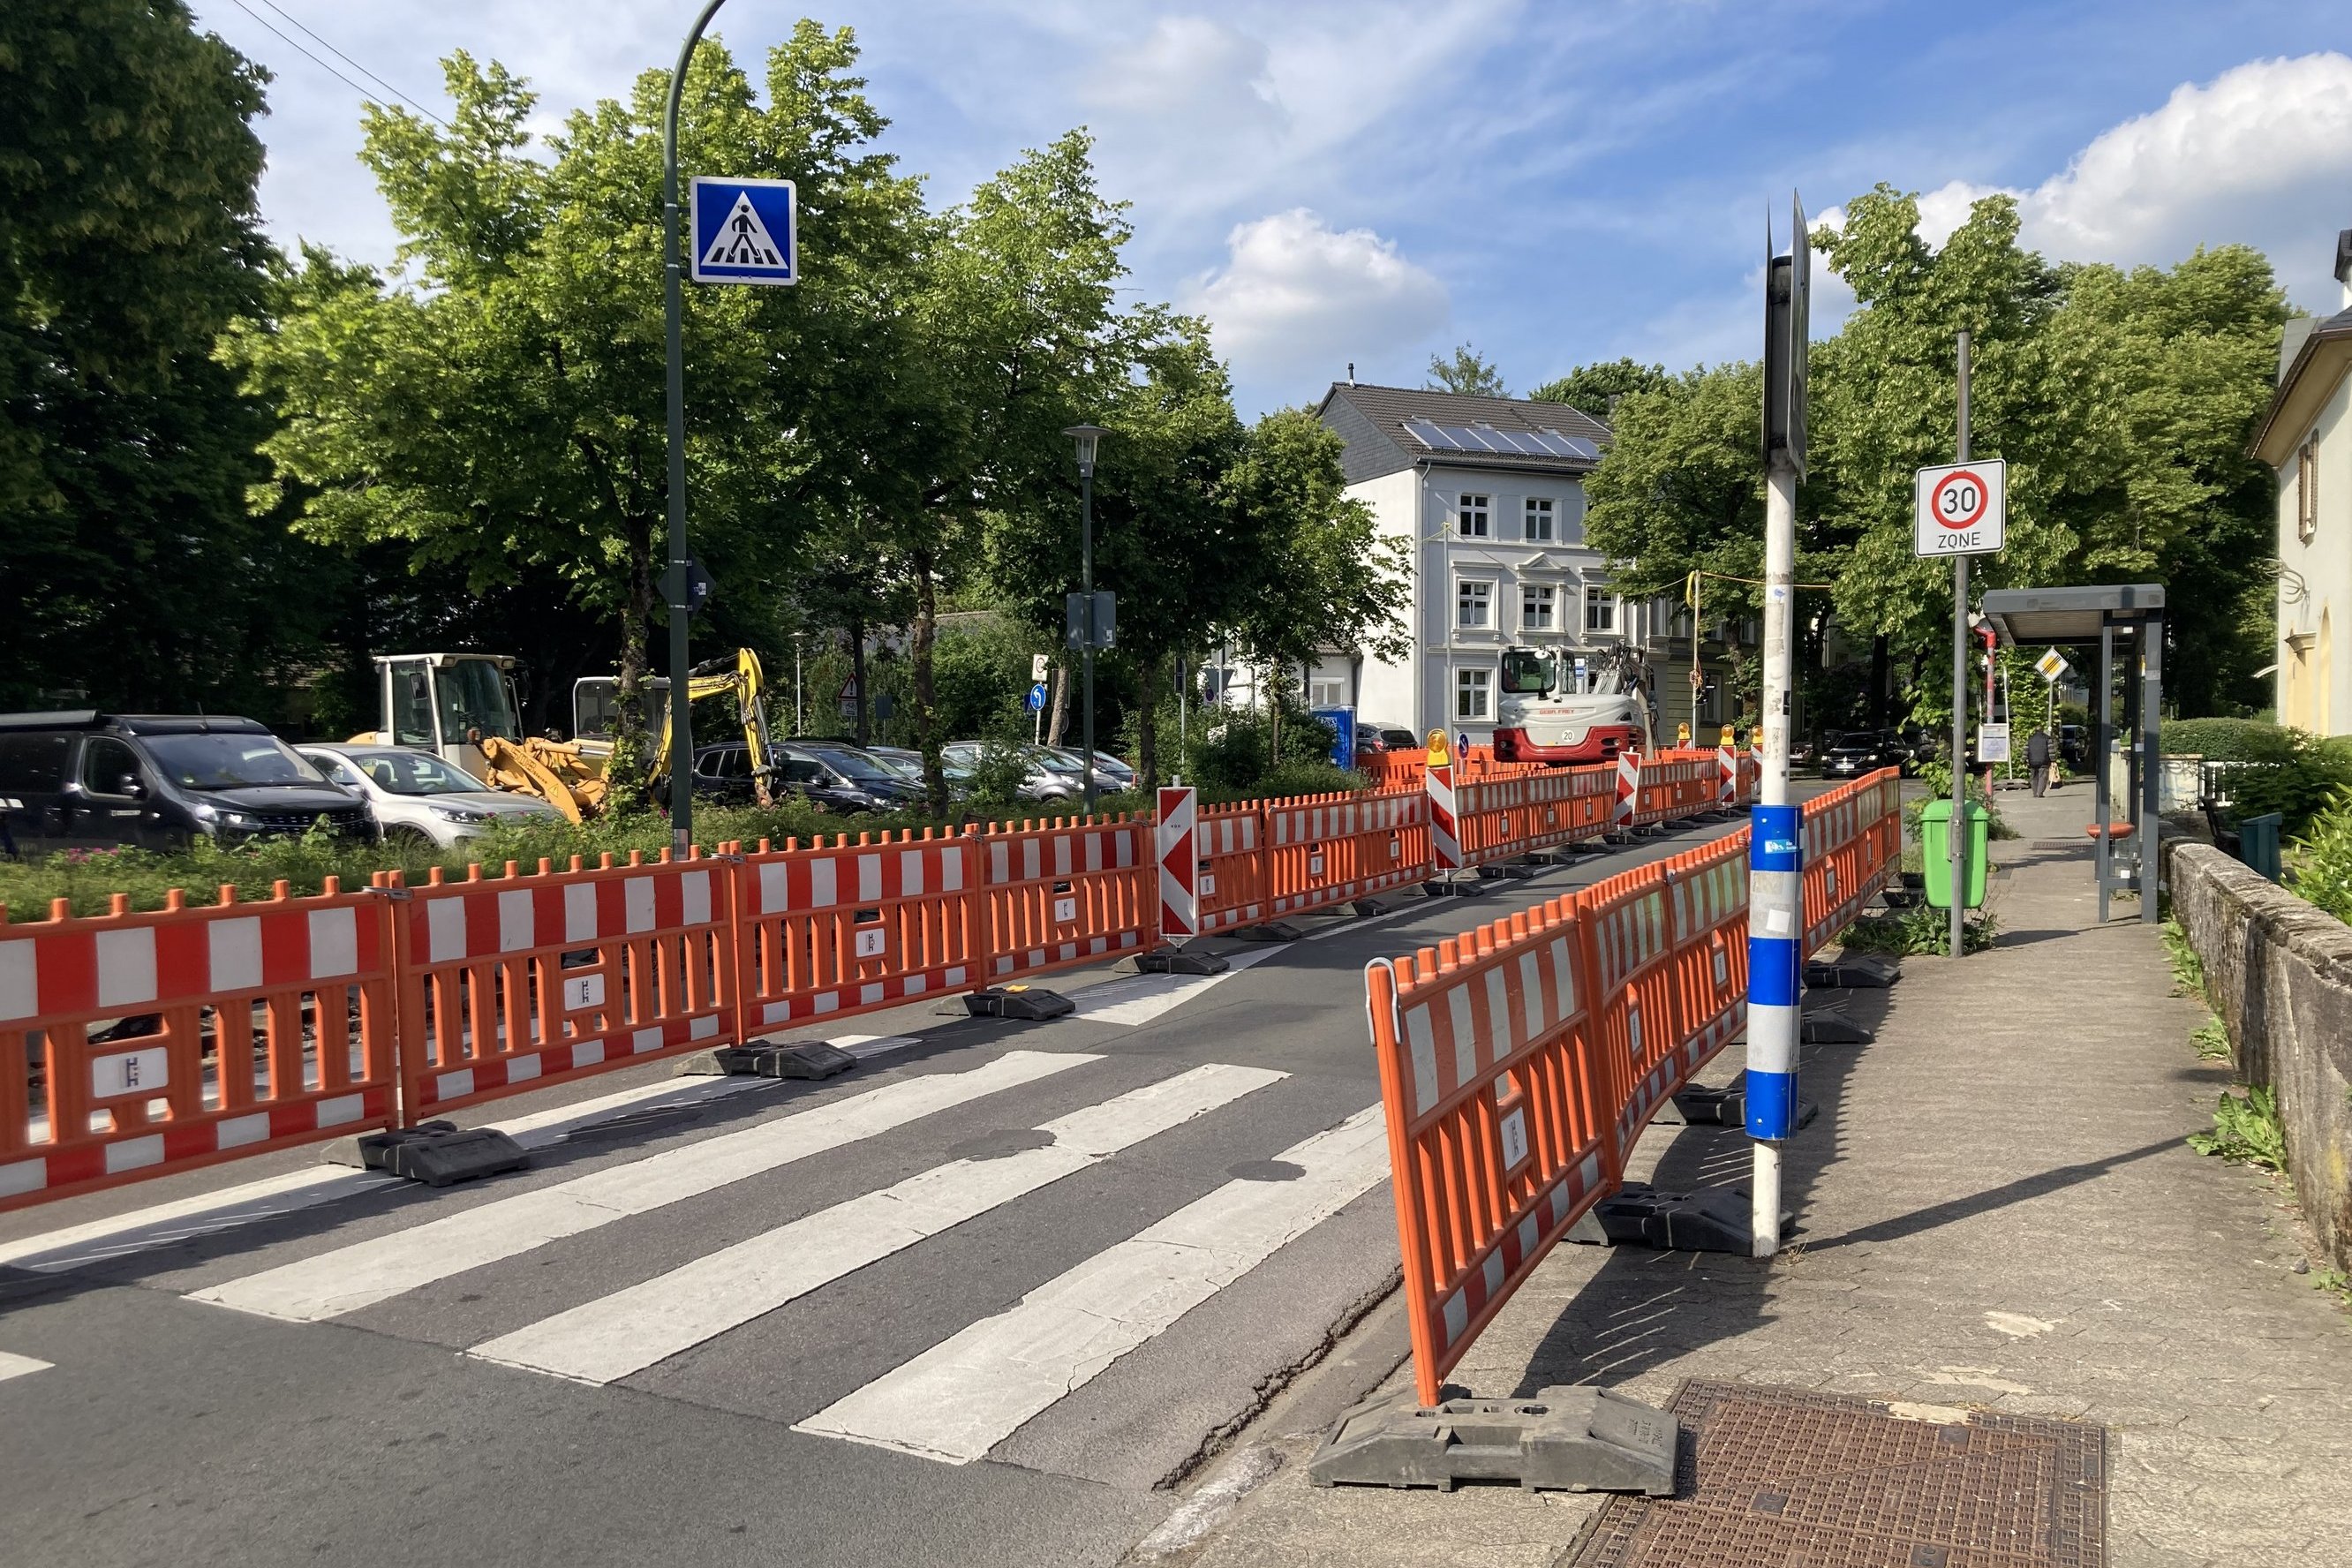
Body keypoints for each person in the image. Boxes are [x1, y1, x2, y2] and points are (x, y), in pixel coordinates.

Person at [2027, 727, 2054, 797]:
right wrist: (2053, 759)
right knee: (2042, 777)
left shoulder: (2030, 739)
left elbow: (2026, 750)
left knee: (2034, 777)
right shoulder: (2047, 738)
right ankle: (2040, 793)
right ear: (2042, 730)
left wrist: (2024, 760)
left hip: (2032, 761)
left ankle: (2035, 793)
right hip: (2044, 761)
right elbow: (2051, 750)